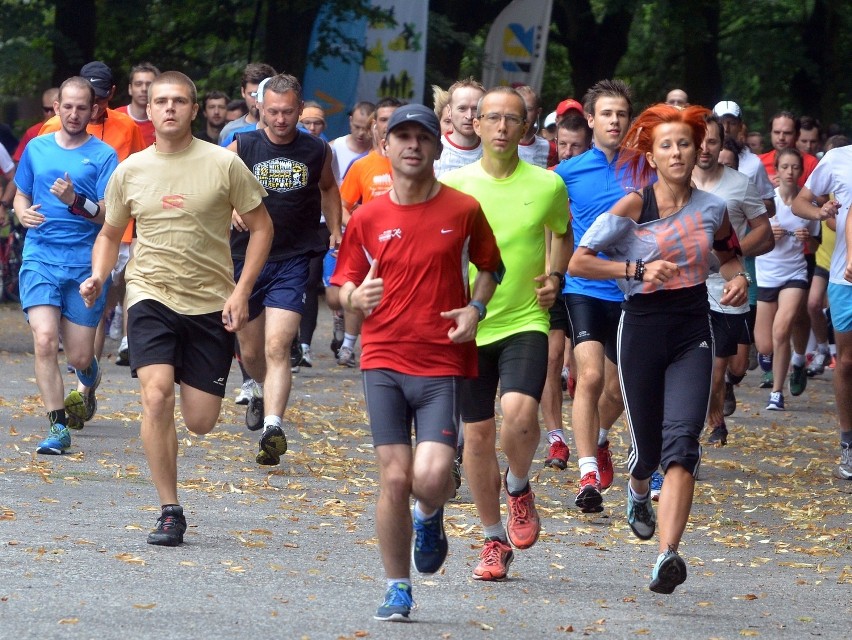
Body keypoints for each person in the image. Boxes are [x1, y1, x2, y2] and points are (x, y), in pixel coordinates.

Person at [80, 71, 273, 546]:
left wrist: (241, 290)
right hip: (149, 294)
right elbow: (109, 233)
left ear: (192, 109)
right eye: (161, 100)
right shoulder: (131, 169)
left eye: (179, 101)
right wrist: (100, 276)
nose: (169, 108)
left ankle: (207, 380)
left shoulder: (223, 164)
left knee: (201, 421)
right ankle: (170, 509)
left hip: (209, 302)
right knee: (156, 394)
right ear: (148, 105)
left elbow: (262, 228)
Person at [569, 103, 749, 594]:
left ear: (699, 150)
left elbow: (730, 258)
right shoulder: (633, 207)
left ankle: (668, 554)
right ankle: (636, 488)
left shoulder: (714, 209)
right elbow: (579, 262)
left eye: (685, 143)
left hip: (693, 328)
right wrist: (636, 271)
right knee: (648, 448)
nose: (676, 152)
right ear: (650, 155)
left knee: (682, 444)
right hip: (642, 327)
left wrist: (738, 283)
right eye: (665, 144)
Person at [332, 104, 502, 621]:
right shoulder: (368, 216)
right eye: (401, 137)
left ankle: (430, 515)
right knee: (395, 477)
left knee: (429, 479)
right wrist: (350, 302)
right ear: (386, 146)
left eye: (421, 138)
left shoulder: (463, 209)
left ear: (438, 146)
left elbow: (491, 268)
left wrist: (476, 308)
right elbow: (341, 282)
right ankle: (397, 586)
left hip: (440, 360)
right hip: (383, 358)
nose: (411, 145)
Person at [440, 86, 571, 581]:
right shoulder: (455, 187)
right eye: (490, 117)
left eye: (509, 119)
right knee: (476, 437)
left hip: (524, 319)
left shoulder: (548, 185)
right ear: (474, 124)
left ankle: (518, 485)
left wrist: (555, 277)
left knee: (520, 413)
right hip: (469, 324)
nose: (499, 127)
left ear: (525, 127)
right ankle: (493, 539)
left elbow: (562, 232)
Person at [227, 73, 341, 465]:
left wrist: (336, 228)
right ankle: (256, 388)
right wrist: (230, 209)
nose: (280, 119)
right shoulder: (242, 144)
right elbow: (214, 188)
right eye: (273, 111)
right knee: (251, 349)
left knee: (279, 345)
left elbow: (328, 188)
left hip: (292, 258)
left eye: (288, 112)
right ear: (259, 106)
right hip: (245, 261)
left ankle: (273, 427)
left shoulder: (316, 149)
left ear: (299, 107)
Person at [13, 76, 118, 455]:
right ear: (57, 108)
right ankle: (58, 427)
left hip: (84, 264)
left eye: (81, 107)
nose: (74, 114)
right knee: (43, 340)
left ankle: (89, 375)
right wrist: (23, 215)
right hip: (40, 256)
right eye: (67, 106)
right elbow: (21, 195)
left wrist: (76, 200)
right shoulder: (37, 149)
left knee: (77, 357)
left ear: (93, 110)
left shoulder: (104, 155)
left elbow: (108, 215)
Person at [554, 79, 634, 511]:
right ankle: (587, 473)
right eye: (606, 113)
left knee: (620, 391)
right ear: (590, 120)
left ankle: (600, 438)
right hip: (583, 286)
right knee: (589, 377)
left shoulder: (644, 168)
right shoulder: (567, 172)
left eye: (621, 113)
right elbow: (548, 224)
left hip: (632, 291)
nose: (614, 121)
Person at [691, 114, 773, 444]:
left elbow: (765, 234)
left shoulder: (739, 185)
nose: (705, 148)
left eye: (712, 141)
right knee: (707, 365)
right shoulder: (677, 179)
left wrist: (727, 254)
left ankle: (727, 386)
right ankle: (712, 424)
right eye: (700, 141)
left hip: (728, 285)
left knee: (733, 367)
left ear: (721, 143)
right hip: (690, 288)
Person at [791, 140, 852, 479]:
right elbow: (802, 200)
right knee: (847, 361)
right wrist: (820, 212)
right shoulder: (838, 159)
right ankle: (848, 441)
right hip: (846, 278)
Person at [337, 97, 402, 367]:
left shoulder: (413, 160)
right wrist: (355, 228)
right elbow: (342, 204)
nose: (389, 126)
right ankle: (349, 345)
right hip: (368, 243)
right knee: (355, 290)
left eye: (395, 119)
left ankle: (389, 347)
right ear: (374, 126)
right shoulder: (362, 165)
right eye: (384, 119)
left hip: (405, 240)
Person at [754, 148, 819, 410]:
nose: (790, 172)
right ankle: (776, 362)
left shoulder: (807, 206)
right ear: (776, 171)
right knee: (765, 344)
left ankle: (777, 394)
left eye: (795, 167)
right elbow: (750, 239)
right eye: (785, 167)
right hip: (766, 273)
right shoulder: (767, 205)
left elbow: (815, 248)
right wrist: (768, 236)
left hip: (795, 273)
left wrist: (809, 240)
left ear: (801, 171)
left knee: (782, 331)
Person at [433, 77, 485, 178]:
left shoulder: (493, 152)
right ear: (449, 111)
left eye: (475, 109)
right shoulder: (432, 150)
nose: (469, 116)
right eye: (462, 108)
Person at [218, 63, 277, 144]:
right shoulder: (230, 132)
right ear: (243, 92)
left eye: (261, 95)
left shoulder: (289, 128)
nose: (257, 100)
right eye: (252, 94)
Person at [116, 62, 160, 147]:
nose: (144, 89)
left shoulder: (162, 121)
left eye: (149, 85)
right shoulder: (115, 117)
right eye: (138, 84)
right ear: (130, 89)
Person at [515, 85, 550, 168]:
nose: (524, 114)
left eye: (529, 109)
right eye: (518, 108)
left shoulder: (549, 148)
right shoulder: (499, 143)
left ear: (538, 112)